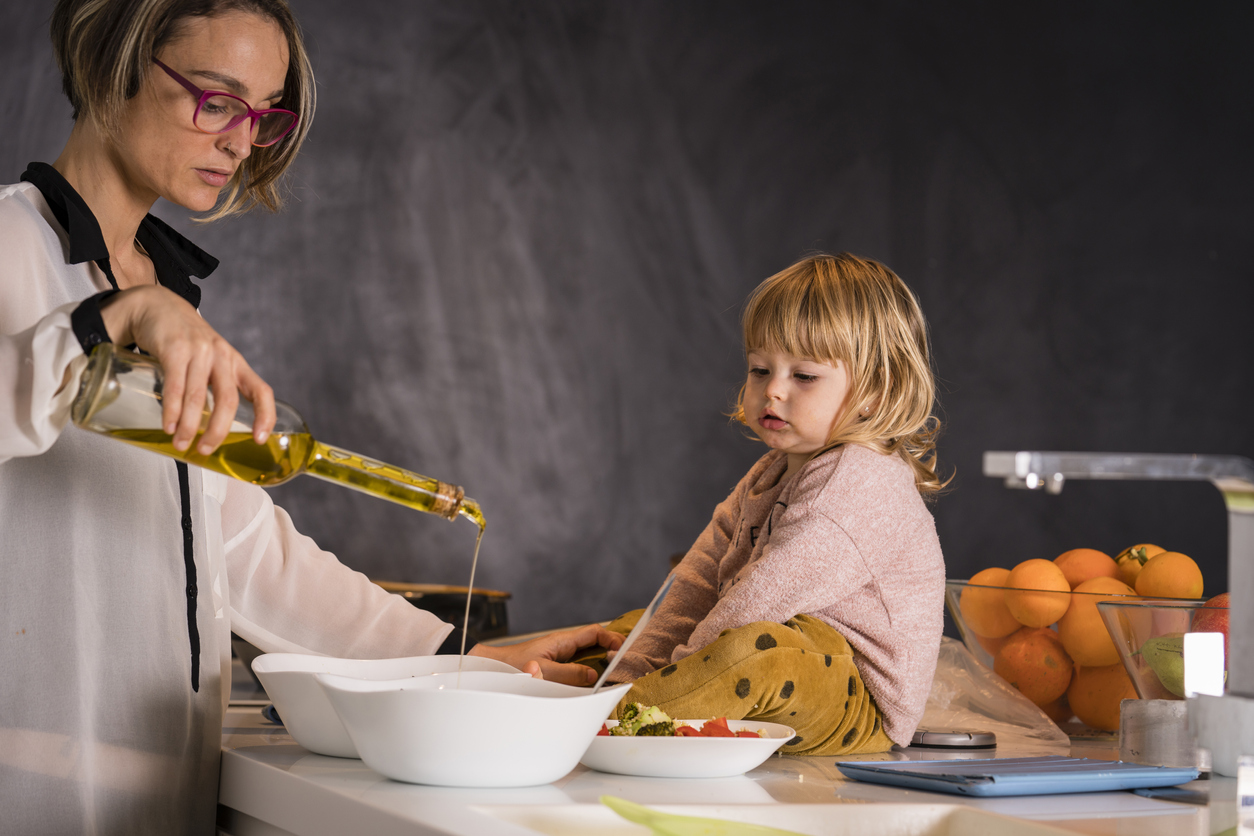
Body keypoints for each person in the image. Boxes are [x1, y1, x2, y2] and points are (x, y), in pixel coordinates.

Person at [0, 1, 619, 831]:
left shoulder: (164, 292)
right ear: (115, 66)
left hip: (158, 790)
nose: (241, 141)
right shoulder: (12, 244)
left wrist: (455, 660)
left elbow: (243, 548)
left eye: (264, 115)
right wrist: (110, 321)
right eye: (216, 100)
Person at [602, 253, 947, 756]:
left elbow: (754, 605)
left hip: (859, 703)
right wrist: (624, 675)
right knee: (631, 630)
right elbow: (695, 585)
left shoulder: (860, 481)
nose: (773, 390)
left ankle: (617, 725)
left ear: (876, 390)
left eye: (804, 376)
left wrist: (639, 695)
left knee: (751, 650)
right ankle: (607, 705)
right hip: (784, 653)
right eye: (760, 369)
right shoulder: (770, 471)